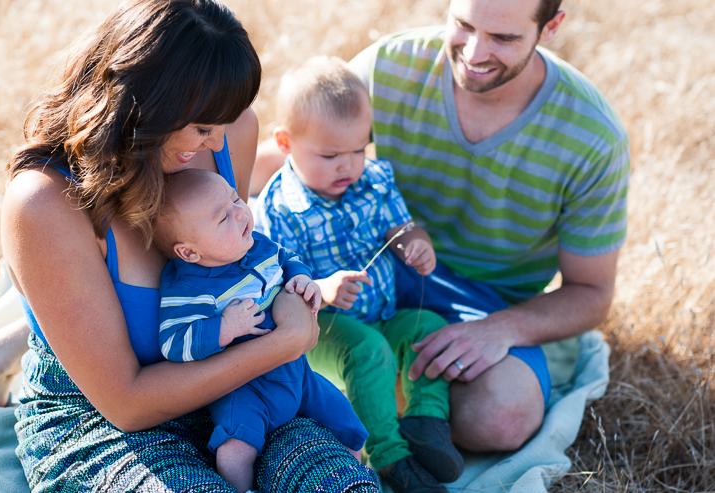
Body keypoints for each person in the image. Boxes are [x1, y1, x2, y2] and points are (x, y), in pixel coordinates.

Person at [0, 1, 379, 491]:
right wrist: (286, 342)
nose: (215, 141)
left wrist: (292, 295)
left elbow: (240, 262)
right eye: (203, 126)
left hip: (247, 392)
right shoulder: (45, 202)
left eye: (222, 123)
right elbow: (126, 404)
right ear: (147, 104)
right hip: (104, 422)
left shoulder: (231, 131)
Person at [252, 0, 630, 455]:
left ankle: (380, 415)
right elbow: (311, 144)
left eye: (503, 38)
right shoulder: (392, 65)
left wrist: (501, 330)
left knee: (503, 416)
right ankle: (378, 412)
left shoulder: (594, 137)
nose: (473, 51)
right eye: (463, 25)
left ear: (550, 28)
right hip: (370, 268)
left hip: (484, 303)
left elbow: (591, 293)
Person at [254, 56, 463, 493]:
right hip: (323, 327)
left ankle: (427, 421)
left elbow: (401, 227)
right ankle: (390, 457)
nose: (347, 166)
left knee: (429, 327)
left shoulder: (373, 179)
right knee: (368, 351)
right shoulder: (280, 208)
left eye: (357, 150)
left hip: (382, 310)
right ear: (286, 143)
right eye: (330, 155)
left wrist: (415, 244)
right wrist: (324, 290)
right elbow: (278, 289)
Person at [155, 169, 368, 492]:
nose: (240, 213)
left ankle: (357, 469)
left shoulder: (257, 246)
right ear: (189, 252)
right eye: (223, 218)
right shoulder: (190, 286)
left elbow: (287, 258)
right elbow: (173, 342)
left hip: (299, 375)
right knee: (234, 449)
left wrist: (300, 277)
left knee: (348, 424)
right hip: (247, 389)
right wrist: (224, 328)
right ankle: (241, 487)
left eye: (236, 198)